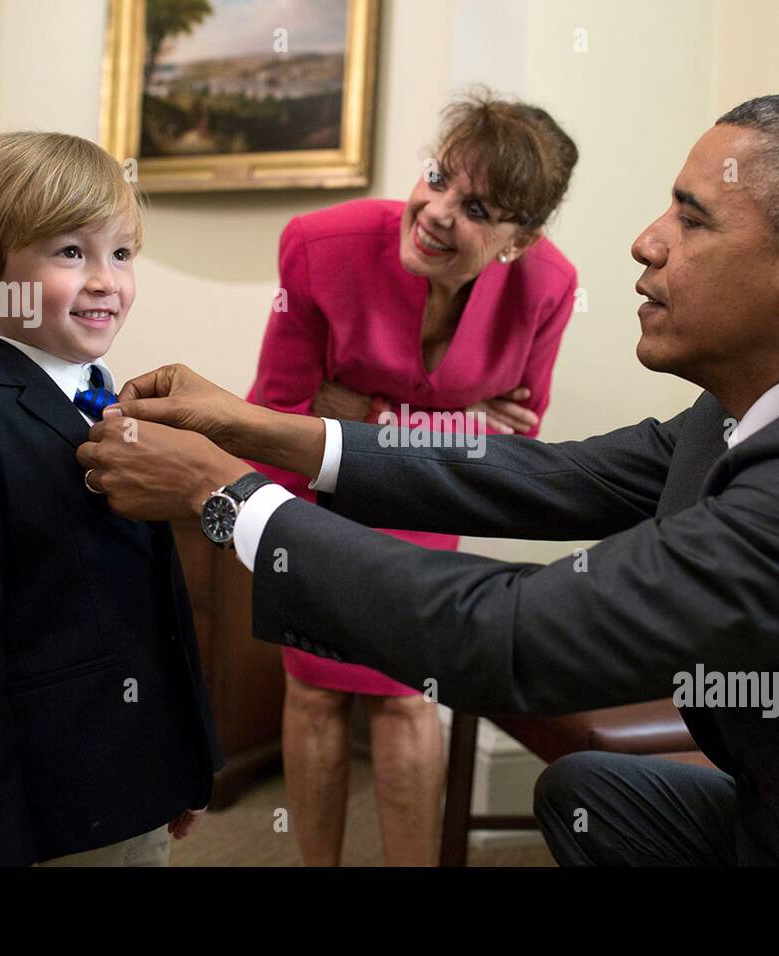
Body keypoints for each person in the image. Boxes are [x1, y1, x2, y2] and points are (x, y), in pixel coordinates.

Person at [77, 95, 779, 865]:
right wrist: (257, 429)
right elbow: (542, 473)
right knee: (592, 792)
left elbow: (513, 637)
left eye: (690, 221)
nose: (644, 241)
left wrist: (224, 491)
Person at [245, 91, 578, 865]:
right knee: (316, 691)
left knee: (405, 697)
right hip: (314, 493)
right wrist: (444, 423)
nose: (434, 211)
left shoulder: (548, 288)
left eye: (476, 207)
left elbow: (510, 445)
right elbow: (277, 413)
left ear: (517, 240)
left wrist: (364, 411)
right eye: (437, 177)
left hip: (431, 499)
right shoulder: (318, 246)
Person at [0, 132, 220, 866]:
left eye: (122, 253)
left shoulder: (125, 410)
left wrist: (191, 759)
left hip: (146, 779)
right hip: (53, 809)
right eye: (72, 253)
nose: (107, 280)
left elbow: (162, 609)